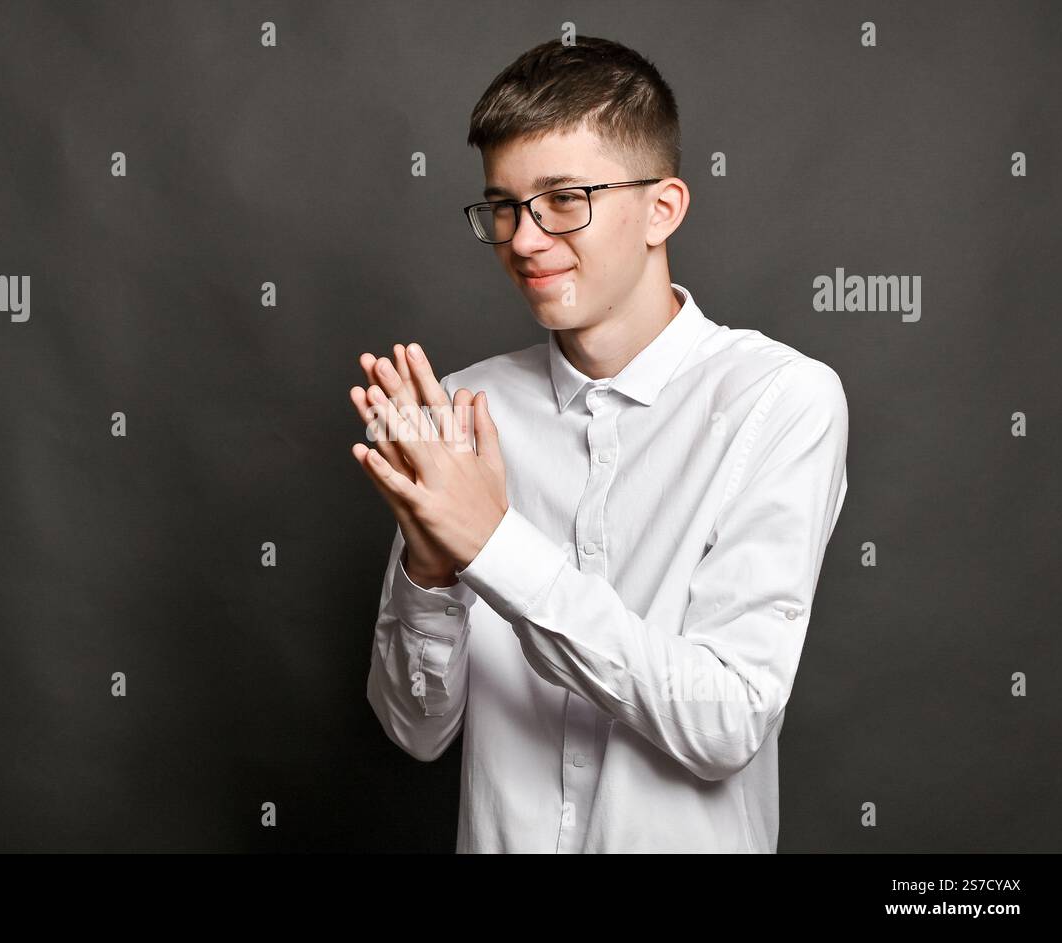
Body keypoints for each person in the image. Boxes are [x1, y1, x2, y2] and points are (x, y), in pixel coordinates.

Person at [348, 35, 848, 853]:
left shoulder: (781, 399)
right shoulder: (470, 408)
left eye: (565, 198)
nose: (524, 238)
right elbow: (415, 729)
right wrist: (429, 570)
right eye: (503, 205)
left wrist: (492, 545)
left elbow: (727, 719)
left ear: (664, 208)